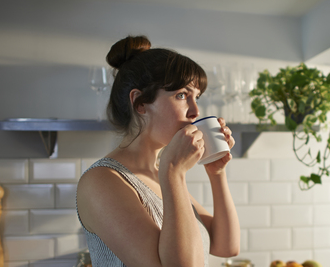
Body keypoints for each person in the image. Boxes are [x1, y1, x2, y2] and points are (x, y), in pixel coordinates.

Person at [76, 35, 240, 267]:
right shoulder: (101, 181)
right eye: (182, 95)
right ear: (140, 102)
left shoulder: (158, 175)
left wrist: (216, 172)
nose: (195, 111)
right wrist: (173, 172)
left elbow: (227, 246)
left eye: (197, 97)